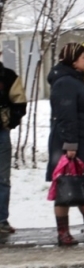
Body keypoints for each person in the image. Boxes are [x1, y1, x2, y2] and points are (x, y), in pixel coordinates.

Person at [47, 43, 84, 245]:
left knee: (83, 184)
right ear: (73, 59)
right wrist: (70, 145)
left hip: (83, 142)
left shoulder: (74, 81)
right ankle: (64, 232)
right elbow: (66, 116)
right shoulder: (66, 83)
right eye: (83, 57)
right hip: (71, 144)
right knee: (65, 185)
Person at [0, 58, 28, 234]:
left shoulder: (8, 77)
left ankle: (1, 220)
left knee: (2, 179)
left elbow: (20, 102)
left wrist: (9, 122)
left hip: (1, 134)